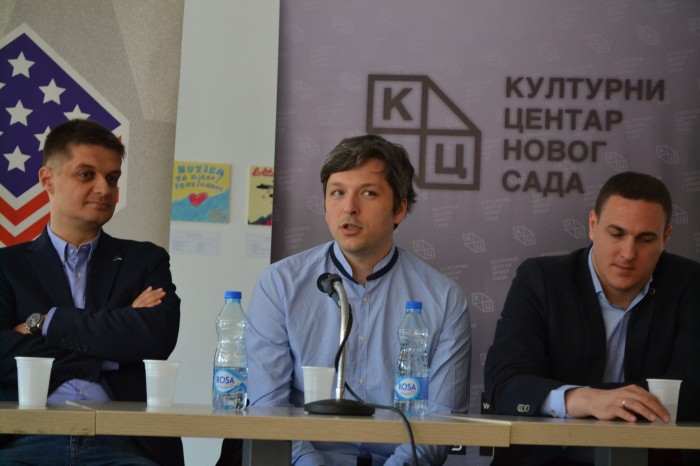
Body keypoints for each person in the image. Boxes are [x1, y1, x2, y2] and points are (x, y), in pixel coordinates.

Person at [224, 134, 471, 465]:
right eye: (337, 192)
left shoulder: (445, 299)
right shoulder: (280, 285)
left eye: (368, 193)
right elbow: (269, 411)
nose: (349, 207)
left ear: (399, 209)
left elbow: (440, 423)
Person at [0, 119, 183, 466]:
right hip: (22, 438)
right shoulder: (7, 266)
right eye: (86, 175)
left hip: (124, 442)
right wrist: (112, 343)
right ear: (47, 180)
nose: (104, 188)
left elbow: (156, 338)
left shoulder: (145, 260)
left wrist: (46, 322)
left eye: (112, 178)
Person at [484, 171, 700, 465]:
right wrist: (580, 398)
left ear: (665, 237)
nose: (628, 253)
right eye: (617, 234)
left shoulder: (690, 284)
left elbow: (691, 392)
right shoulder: (540, 280)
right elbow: (506, 384)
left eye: (646, 239)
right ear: (593, 225)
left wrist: (605, 400)